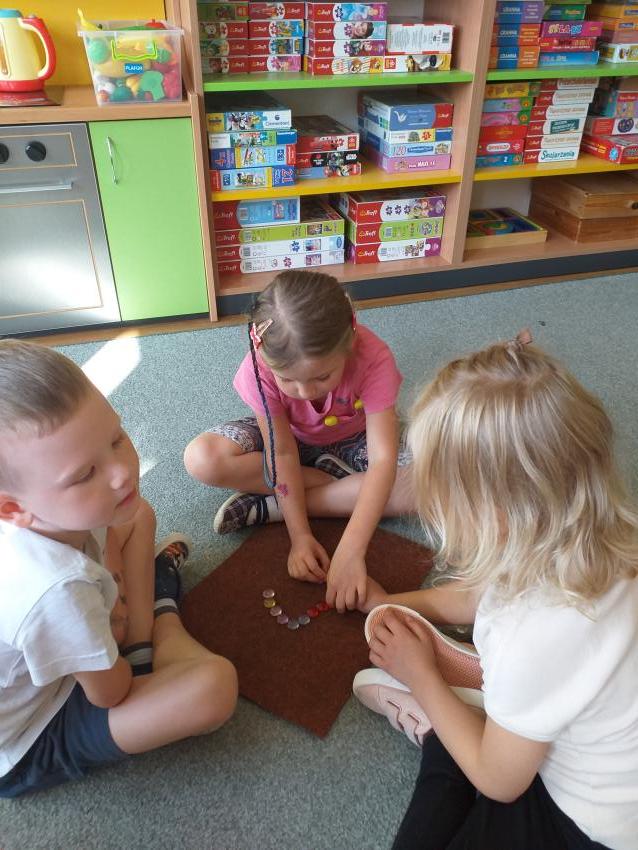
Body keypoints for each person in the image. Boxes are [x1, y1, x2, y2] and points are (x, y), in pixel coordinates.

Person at [353, 332, 638, 850]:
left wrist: (421, 674)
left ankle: (444, 728)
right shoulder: (597, 536)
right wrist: (387, 602)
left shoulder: (530, 634)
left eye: (437, 491)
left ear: (494, 515)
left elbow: (500, 782)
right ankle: (481, 712)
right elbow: (474, 596)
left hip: (589, 824)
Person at [0, 340, 238, 797]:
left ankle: (142, 639)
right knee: (214, 687)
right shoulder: (55, 589)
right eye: (84, 474)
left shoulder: (51, 515)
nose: (122, 472)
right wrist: (112, 613)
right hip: (32, 736)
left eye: (116, 439)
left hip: (67, 635)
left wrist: (112, 594)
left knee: (136, 514)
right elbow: (109, 693)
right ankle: (162, 617)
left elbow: (109, 534)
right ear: (14, 509)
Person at [184, 270, 413, 612]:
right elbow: (281, 452)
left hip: (356, 439)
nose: (305, 392)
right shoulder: (258, 367)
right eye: (287, 379)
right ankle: (338, 486)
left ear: (349, 343)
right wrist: (300, 536)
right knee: (201, 458)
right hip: (287, 440)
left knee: (428, 486)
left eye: (322, 376)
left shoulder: (373, 357)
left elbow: (383, 460)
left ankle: (273, 507)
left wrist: (350, 551)